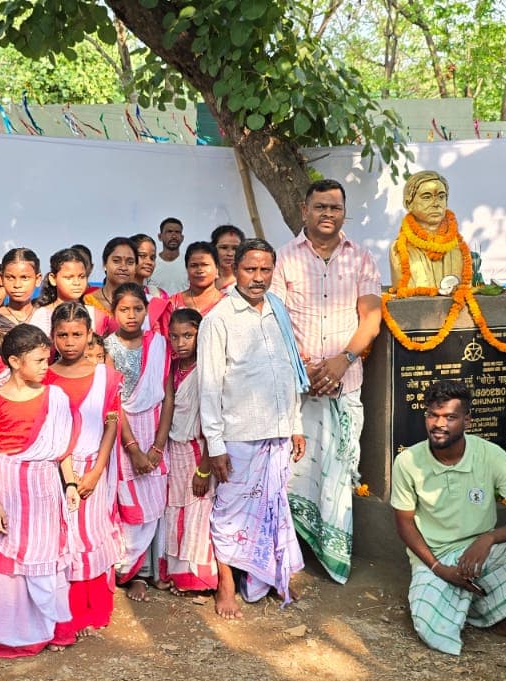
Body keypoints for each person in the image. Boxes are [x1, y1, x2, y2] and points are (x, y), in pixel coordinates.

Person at [391, 379, 506, 655]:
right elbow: (404, 524)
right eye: (432, 415)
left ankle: (487, 615)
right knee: (429, 628)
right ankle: (474, 607)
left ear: (467, 420)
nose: (439, 424)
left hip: (481, 553)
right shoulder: (408, 462)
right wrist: (437, 568)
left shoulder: (491, 456)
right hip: (435, 557)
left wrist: (489, 538)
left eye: (450, 417)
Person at [273, 179, 383, 585]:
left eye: (335, 208)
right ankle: (292, 553)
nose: (328, 214)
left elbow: (370, 317)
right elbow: (277, 319)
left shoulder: (362, 259)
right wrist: (305, 366)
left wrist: (342, 360)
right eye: (320, 207)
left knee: (337, 473)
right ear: (304, 210)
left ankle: (332, 555)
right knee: (291, 471)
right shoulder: (283, 259)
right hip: (296, 388)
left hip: (344, 382)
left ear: (343, 212)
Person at [198, 239, 307, 619]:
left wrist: (295, 425)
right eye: (250, 269)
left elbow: (289, 373)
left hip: (277, 431)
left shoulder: (278, 309)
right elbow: (209, 387)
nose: (258, 278)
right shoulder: (219, 318)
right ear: (235, 269)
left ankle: (270, 576)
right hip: (238, 435)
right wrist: (215, 445)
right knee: (229, 513)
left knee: (275, 509)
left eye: (265, 270)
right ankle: (226, 583)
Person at [0, 324, 79, 657]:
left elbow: (61, 448)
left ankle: (52, 627)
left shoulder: (56, 397)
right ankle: (14, 635)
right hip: (10, 488)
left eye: (47, 360)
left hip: (46, 487)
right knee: (13, 561)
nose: (46, 367)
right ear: (15, 362)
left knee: (48, 554)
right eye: (38, 361)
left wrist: (72, 483)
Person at [44, 303, 121, 641]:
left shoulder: (105, 375)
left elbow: (111, 425)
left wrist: (97, 470)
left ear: (90, 335)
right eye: (62, 335)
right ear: (52, 336)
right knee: (63, 537)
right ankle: (66, 610)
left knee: (91, 533)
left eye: (77, 334)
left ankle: (94, 606)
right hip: (54, 471)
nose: (70, 342)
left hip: (94, 467)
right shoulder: (44, 376)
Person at [105, 284, 173, 600]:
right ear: (113, 312)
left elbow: (168, 395)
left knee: (155, 503)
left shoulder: (158, 343)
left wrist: (157, 446)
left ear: (146, 312)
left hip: (157, 428)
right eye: (124, 309)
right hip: (121, 434)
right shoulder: (107, 348)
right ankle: (122, 568)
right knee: (128, 504)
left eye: (137, 309)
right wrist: (133, 449)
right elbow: (113, 402)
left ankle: (142, 573)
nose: (131, 315)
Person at [159, 308, 217, 593]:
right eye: (174, 336)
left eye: (188, 336)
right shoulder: (170, 368)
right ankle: (176, 573)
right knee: (174, 510)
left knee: (198, 510)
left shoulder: (207, 370)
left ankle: (198, 578)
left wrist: (204, 468)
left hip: (198, 450)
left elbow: (212, 422)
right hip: (174, 448)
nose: (180, 342)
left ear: (200, 335)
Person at [148, 242, 223, 337]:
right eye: (194, 265)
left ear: (217, 269)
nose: (200, 270)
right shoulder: (172, 304)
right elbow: (166, 342)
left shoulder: (227, 304)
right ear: (186, 269)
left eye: (205, 265)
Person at [0, 248, 41, 370]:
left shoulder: (46, 316)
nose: (17, 285)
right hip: (3, 387)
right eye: (10, 278)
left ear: (38, 279)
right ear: (2, 278)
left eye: (25, 278)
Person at [83, 238, 141, 336]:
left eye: (130, 262)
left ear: (136, 267)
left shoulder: (143, 304)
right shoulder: (87, 302)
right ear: (104, 264)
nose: (123, 267)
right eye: (116, 261)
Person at [27, 248, 91, 337]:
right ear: (53, 279)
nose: (77, 283)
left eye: (81, 276)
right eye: (69, 277)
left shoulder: (92, 313)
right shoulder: (42, 316)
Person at [149, 218, 188, 295]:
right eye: (169, 232)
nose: (173, 236)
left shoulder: (189, 263)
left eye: (177, 232)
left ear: (182, 238)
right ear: (160, 237)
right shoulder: (150, 263)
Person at [210, 225, 244, 290]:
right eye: (224, 247)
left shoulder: (249, 281)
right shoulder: (204, 281)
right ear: (213, 248)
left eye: (235, 248)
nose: (230, 254)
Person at [131, 234, 163, 300]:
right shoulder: (113, 293)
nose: (149, 262)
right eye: (142, 256)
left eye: (152, 258)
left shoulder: (159, 295)